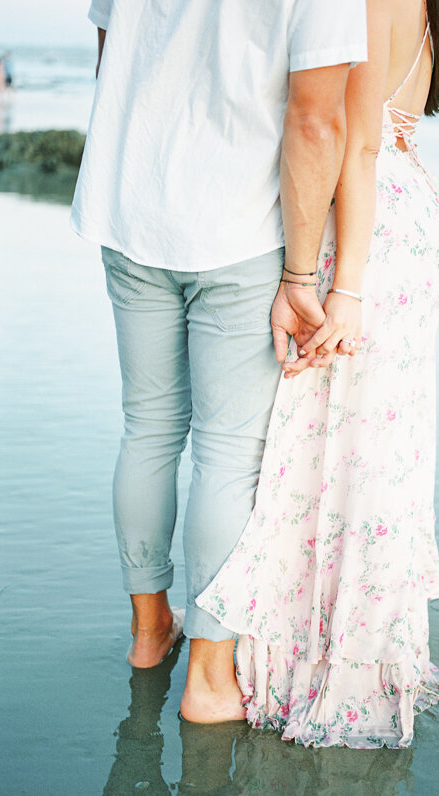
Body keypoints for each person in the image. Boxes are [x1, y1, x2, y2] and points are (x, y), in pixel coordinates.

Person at [70, 1, 368, 722]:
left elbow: (113, 54)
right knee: (228, 455)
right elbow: (316, 120)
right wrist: (302, 277)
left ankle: (148, 634)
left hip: (131, 206)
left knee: (146, 429)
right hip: (239, 221)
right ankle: (207, 679)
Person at [196, 0, 439, 747]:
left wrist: (341, 286)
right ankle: (356, 649)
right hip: (411, 219)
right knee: (374, 450)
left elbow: (353, 140)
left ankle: (322, 667)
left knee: (324, 447)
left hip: (364, 229)